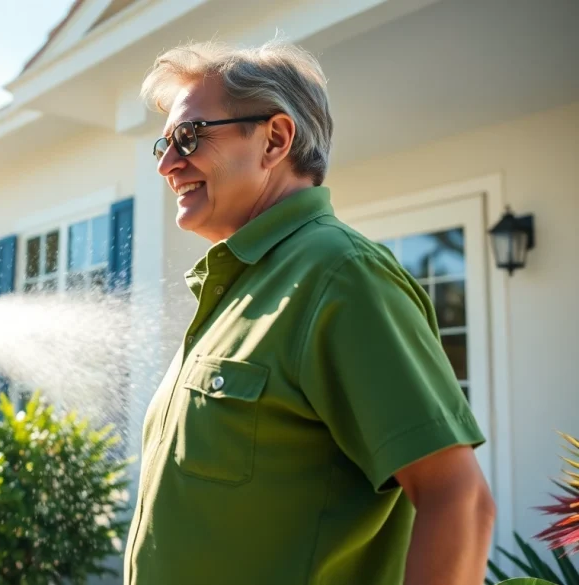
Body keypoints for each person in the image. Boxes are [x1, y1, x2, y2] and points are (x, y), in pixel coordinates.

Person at [123, 40, 496, 585]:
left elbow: (458, 500)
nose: (167, 163)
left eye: (188, 136)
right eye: (164, 143)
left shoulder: (341, 274)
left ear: (274, 139)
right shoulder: (243, 289)